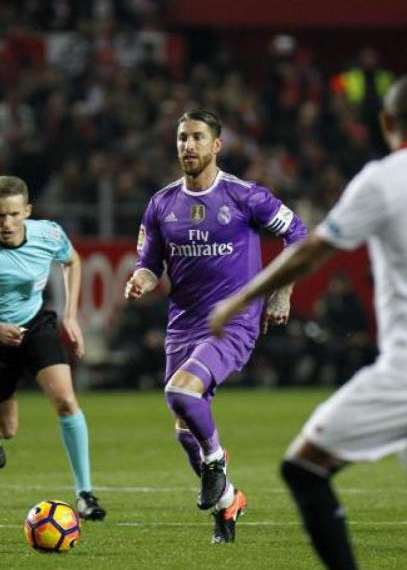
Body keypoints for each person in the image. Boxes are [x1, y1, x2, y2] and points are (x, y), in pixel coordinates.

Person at [210, 74, 407, 570]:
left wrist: (241, 299)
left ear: (385, 123)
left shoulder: (386, 178)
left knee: (304, 468)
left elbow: (314, 247)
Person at [124, 109, 308, 543]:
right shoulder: (161, 204)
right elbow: (150, 265)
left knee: (181, 391)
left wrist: (282, 292)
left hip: (233, 321)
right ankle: (227, 503)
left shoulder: (246, 197)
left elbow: (298, 233)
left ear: (216, 146)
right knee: (184, 424)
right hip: (182, 324)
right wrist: (140, 280)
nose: (188, 146)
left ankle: (216, 461)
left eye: (197, 138)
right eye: (182, 138)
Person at [0, 175, 106, 521]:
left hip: (35, 324)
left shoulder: (48, 234)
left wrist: (70, 315)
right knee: (8, 429)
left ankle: (85, 494)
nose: (6, 223)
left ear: (27, 211)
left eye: (14, 214)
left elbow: (72, 261)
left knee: (65, 399)